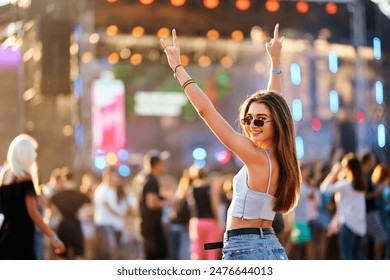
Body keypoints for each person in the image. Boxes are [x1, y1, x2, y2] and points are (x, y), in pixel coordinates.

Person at [161, 24, 300, 260]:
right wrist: (275, 64)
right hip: (270, 247)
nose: (252, 125)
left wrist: (177, 67)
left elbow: (206, 111)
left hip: (246, 248)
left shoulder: (256, 156)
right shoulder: (280, 156)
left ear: (276, 123)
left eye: (260, 121)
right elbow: (275, 103)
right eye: (249, 119)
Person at [0, 134, 65, 259]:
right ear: (26, 154)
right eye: (33, 152)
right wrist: (53, 237)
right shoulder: (26, 177)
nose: (35, 156)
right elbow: (33, 212)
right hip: (22, 238)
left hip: (5, 234)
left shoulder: (5, 175)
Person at [320, 153, 367, 260]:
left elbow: (324, 188)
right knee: (356, 256)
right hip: (359, 225)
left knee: (346, 257)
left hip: (348, 224)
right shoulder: (359, 184)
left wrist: (334, 172)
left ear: (348, 168)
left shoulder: (346, 184)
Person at [138, 149, 172, 260]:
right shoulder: (151, 181)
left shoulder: (143, 178)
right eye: (161, 163)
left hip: (147, 225)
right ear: (156, 165)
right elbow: (151, 203)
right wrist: (167, 202)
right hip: (152, 227)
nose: (164, 165)